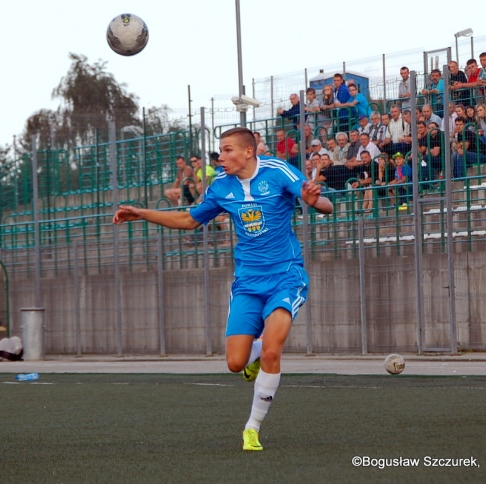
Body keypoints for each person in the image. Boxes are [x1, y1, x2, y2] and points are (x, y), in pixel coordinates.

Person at [112, 127, 333, 452]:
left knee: (274, 348)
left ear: (248, 151)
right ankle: (254, 353)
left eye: (227, 150)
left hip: (286, 275)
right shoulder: (220, 187)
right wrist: (142, 214)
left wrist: (315, 202)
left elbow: (326, 205)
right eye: (220, 151)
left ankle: (252, 428)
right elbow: (189, 221)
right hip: (246, 282)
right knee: (235, 363)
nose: (221, 157)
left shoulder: (278, 171)